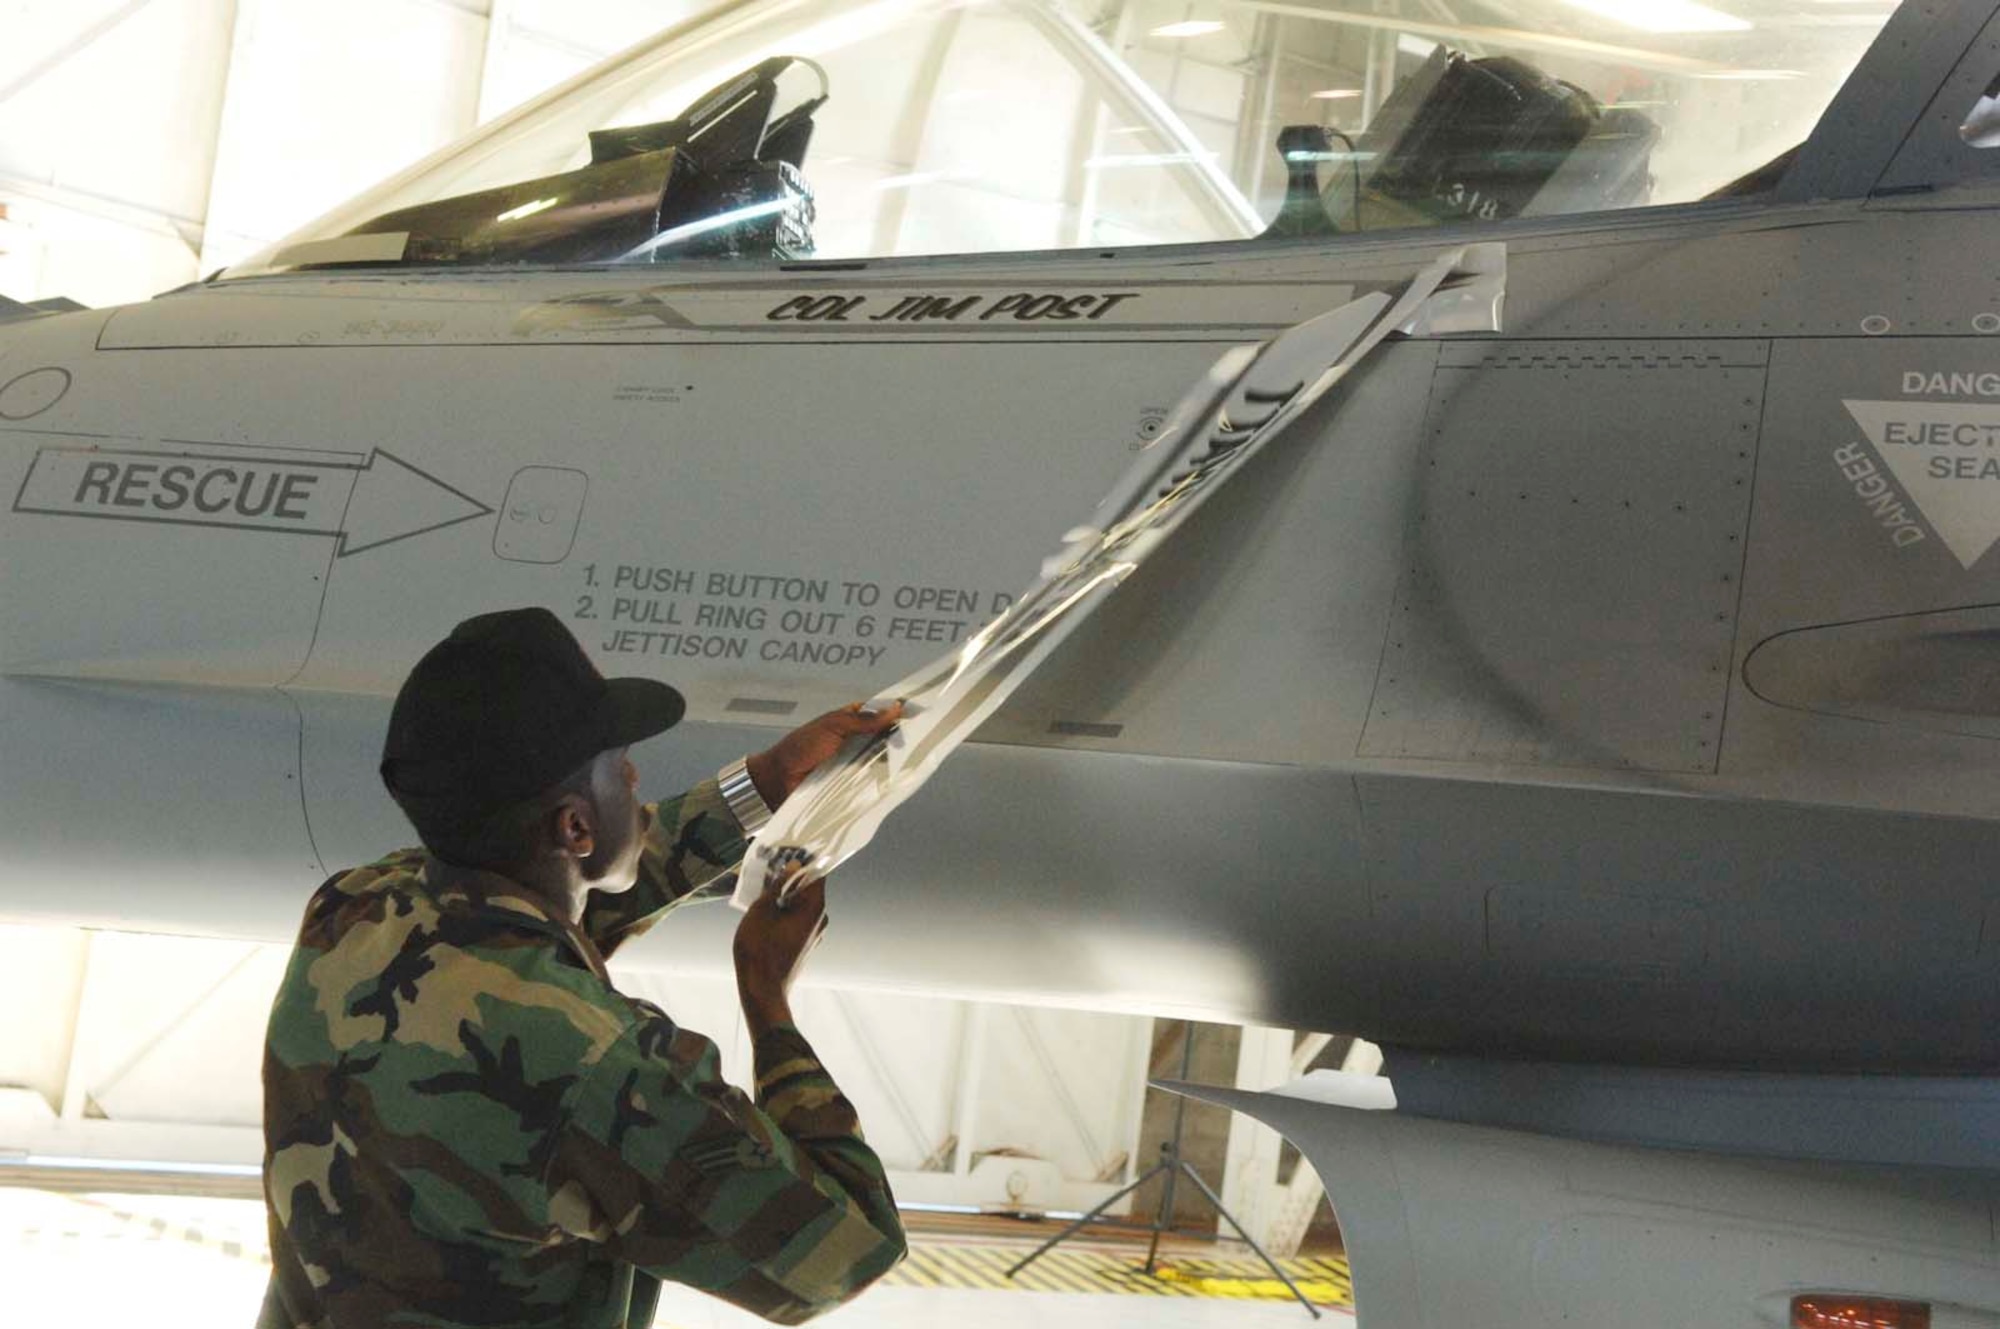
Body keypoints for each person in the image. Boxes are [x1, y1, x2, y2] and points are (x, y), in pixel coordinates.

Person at [258, 607, 907, 1328]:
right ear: (574, 825)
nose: (633, 775)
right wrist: (766, 995)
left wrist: (767, 782)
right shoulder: (594, 1064)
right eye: (618, 763)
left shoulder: (354, 910)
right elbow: (846, 1250)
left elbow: (534, 920)